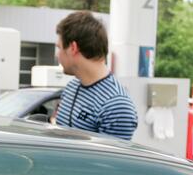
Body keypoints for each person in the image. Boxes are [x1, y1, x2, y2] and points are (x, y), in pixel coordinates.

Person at [52, 11, 138, 140]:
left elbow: (111, 160)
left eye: (59, 47)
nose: (57, 55)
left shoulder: (116, 105)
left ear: (73, 48)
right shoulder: (71, 88)